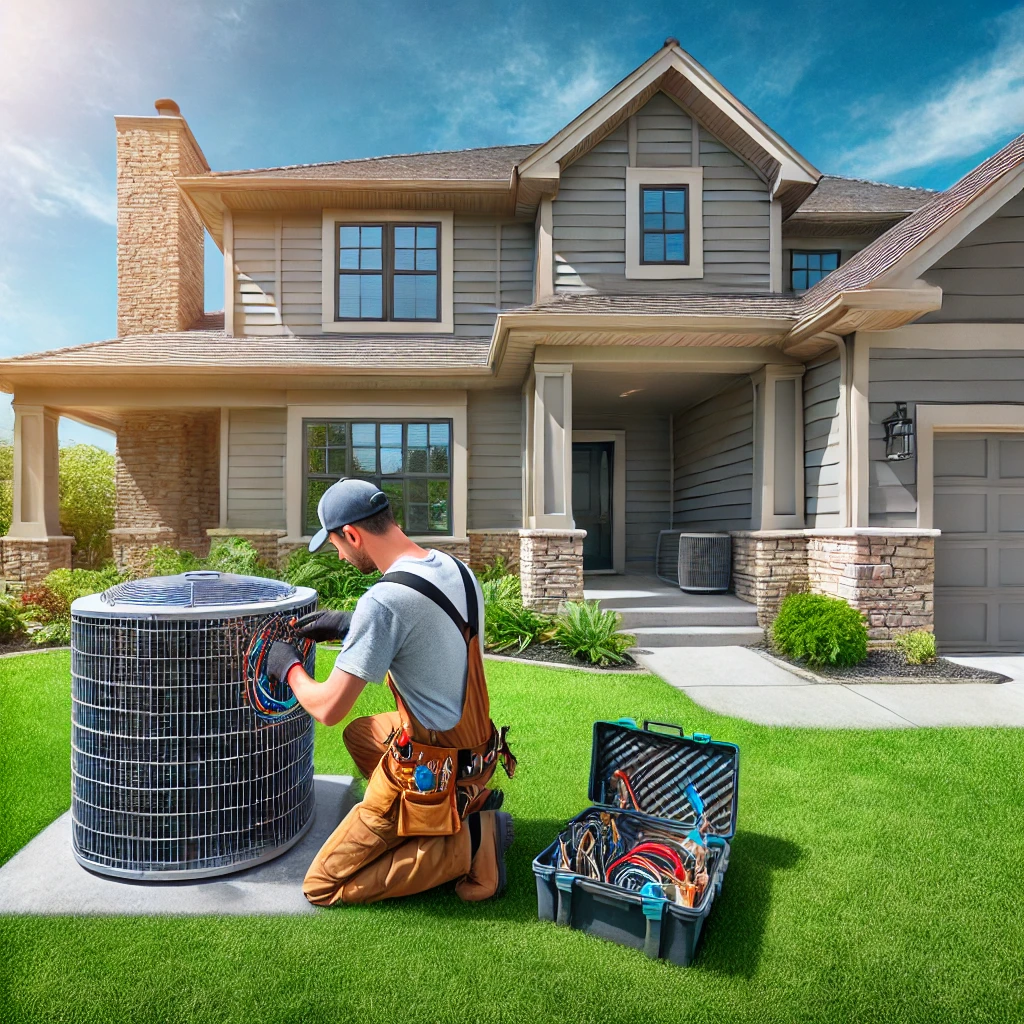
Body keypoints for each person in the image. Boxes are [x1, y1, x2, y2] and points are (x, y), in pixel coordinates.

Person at [266, 477, 516, 906]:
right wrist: (348, 624)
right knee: (362, 734)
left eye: (336, 546)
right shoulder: (453, 567)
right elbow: (430, 635)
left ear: (353, 534)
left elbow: (328, 708)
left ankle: (469, 840)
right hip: (479, 749)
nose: (341, 557)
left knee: (323, 886)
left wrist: (286, 666)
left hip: (434, 764)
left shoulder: (383, 601)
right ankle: (449, 811)